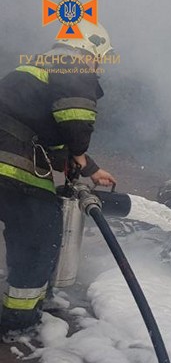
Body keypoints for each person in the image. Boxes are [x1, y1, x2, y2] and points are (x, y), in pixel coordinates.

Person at [0, 20, 116, 339]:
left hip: (7, 161)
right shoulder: (71, 64)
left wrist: (89, 169)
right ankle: (18, 325)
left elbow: (52, 141)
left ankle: (29, 305)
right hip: (12, 168)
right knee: (39, 234)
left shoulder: (41, 69)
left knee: (32, 231)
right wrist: (80, 151)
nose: (99, 68)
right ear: (89, 48)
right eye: (99, 59)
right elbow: (76, 121)